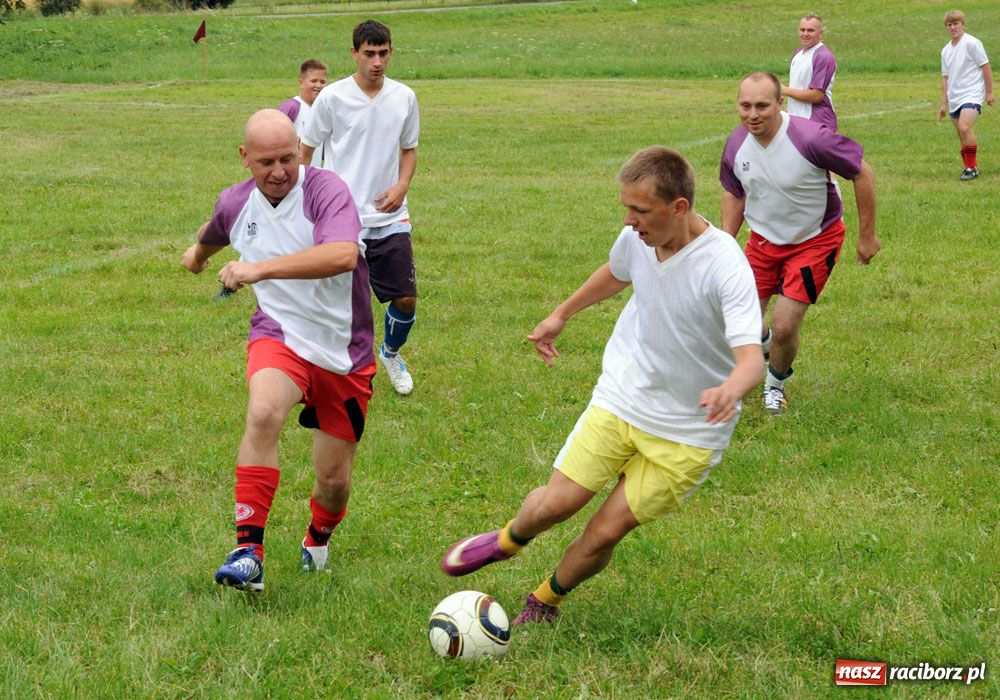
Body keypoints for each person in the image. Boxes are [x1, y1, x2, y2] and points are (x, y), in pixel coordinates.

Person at [441, 147, 764, 624]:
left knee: (603, 532)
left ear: (679, 207)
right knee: (556, 504)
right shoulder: (637, 237)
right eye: (626, 209)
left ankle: (544, 601)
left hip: (687, 432)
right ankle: (510, 539)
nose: (631, 221)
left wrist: (731, 389)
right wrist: (560, 315)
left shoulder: (725, 265)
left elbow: (752, 360)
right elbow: (617, 272)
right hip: (625, 393)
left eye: (641, 210)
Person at [181, 109, 375, 591]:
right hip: (280, 333)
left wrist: (259, 269)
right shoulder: (236, 201)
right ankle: (248, 551)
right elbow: (216, 229)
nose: (279, 171)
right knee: (264, 412)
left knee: (333, 482)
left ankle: (318, 537)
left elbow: (342, 255)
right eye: (266, 162)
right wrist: (198, 256)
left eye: (288, 158)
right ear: (245, 158)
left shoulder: (325, 191)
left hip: (342, 350)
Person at [720, 72, 880, 416]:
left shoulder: (812, 138)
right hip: (763, 242)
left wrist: (867, 235)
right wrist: (724, 244)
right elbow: (734, 193)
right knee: (739, 318)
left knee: (784, 325)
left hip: (814, 239)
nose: (753, 114)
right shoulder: (736, 144)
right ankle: (762, 346)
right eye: (745, 106)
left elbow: (861, 172)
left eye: (762, 105)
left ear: (780, 103)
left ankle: (774, 386)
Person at [301, 20, 420, 396]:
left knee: (405, 297)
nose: (377, 62)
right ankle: (331, 370)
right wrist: (309, 201)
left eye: (383, 53)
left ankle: (390, 353)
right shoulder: (332, 98)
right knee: (341, 307)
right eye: (369, 54)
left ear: (391, 52)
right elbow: (305, 151)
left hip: (389, 216)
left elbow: (409, 150)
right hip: (342, 219)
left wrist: (402, 185)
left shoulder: (404, 97)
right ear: (354, 54)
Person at [938, 9, 994, 181]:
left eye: (956, 23)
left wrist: (989, 92)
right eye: (949, 25)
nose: (953, 27)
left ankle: (971, 169)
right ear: (946, 28)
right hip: (955, 96)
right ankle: (970, 167)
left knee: (964, 127)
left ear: (963, 24)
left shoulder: (972, 43)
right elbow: (946, 78)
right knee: (961, 134)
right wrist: (943, 104)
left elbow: (985, 66)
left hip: (972, 93)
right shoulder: (945, 50)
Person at [781, 13, 838, 132]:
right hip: (796, 120)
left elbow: (816, 96)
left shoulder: (823, 57)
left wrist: (784, 90)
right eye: (802, 30)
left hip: (817, 122)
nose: (805, 34)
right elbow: (797, 86)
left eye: (810, 30)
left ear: (820, 33)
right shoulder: (797, 54)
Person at [278, 59, 329, 167]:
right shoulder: (292, 107)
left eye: (322, 82)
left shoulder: (322, 109)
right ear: (301, 82)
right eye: (314, 81)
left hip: (312, 172)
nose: (318, 85)